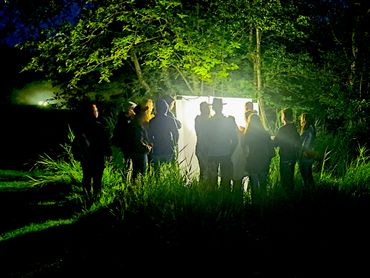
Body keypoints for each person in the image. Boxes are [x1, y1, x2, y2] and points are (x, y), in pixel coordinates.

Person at [72, 103, 111, 203]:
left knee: (87, 176)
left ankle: (86, 196)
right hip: (97, 155)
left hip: (86, 156)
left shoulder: (81, 126)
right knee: (97, 178)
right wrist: (108, 152)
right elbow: (104, 141)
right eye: (95, 110)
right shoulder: (99, 126)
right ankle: (96, 198)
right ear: (92, 113)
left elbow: (77, 141)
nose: (97, 112)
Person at [242, 114, 274, 204]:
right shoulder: (265, 134)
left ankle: (255, 207)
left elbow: (244, 149)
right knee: (263, 186)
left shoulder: (247, 135)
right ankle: (264, 206)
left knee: (254, 188)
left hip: (252, 163)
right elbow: (271, 149)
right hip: (263, 162)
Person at [207, 98, 238, 189]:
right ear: (222, 108)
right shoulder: (228, 121)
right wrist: (231, 150)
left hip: (212, 153)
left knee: (212, 180)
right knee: (226, 180)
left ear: (213, 108)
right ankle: (226, 199)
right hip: (226, 153)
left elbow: (205, 138)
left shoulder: (209, 122)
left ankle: (214, 199)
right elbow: (235, 139)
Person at [274, 108, 301, 195]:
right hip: (293, 157)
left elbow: (275, 143)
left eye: (282, 115)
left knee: (285, 179)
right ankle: (292, 197)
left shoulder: (282, 129)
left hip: (285, 157)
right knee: (290, 178)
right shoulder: (294, 128)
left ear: (284, 117)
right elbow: (298, 143)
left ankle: (286, 199)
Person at [126, 104, 152, 179]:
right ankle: (138, 189)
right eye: (144, 112)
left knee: (135, 175)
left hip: (134, 153)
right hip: (139, 154)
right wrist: (147, 148)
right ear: (140, 114)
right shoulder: (137, 125)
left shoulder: (133, 123)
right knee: (140, 175)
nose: (145, 114)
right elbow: (138, 141)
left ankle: (134, 188)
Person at [148, 99, 179, 164]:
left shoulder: (152, 121)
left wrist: (152, 144)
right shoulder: (170, 120)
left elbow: (149, 135)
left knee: (157, 171)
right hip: (169, 148)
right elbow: (176, 133)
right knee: (170, 170)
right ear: (166, 108)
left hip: (157, 149)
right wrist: (174, 144)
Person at [299, 113, 316, 188]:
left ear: (304, 119)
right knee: (309, 174)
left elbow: (304, 143)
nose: (300, 120)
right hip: (310, 153)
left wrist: (301, 153)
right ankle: (312, 190)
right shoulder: (312, 128)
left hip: (305, 154)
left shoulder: (307, 129)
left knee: (305, 175)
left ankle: (307, 192)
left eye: (301, 119)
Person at [195, 102, 211, 183]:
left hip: (200, 147)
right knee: (207, 171)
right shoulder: (206, 120)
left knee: (203, 170)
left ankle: (202, 189)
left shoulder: (198, 119)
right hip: (205, 148)